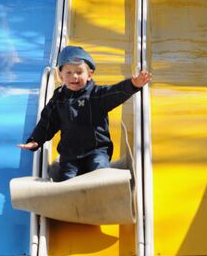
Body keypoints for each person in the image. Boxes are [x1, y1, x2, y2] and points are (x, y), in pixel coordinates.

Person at [18, 45, 152, 181]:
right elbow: (47, 122)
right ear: (60, 75)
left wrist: (133, 85)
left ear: (89, 74)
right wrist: (36, 140)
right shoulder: (59, 99)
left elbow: (115, 93)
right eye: (68, 72)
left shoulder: (97, 95)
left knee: (100, 171)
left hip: (97, 150)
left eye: (79, 72)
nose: (74, 76)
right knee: (67, 178)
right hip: (70, 154)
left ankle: (105, 195)